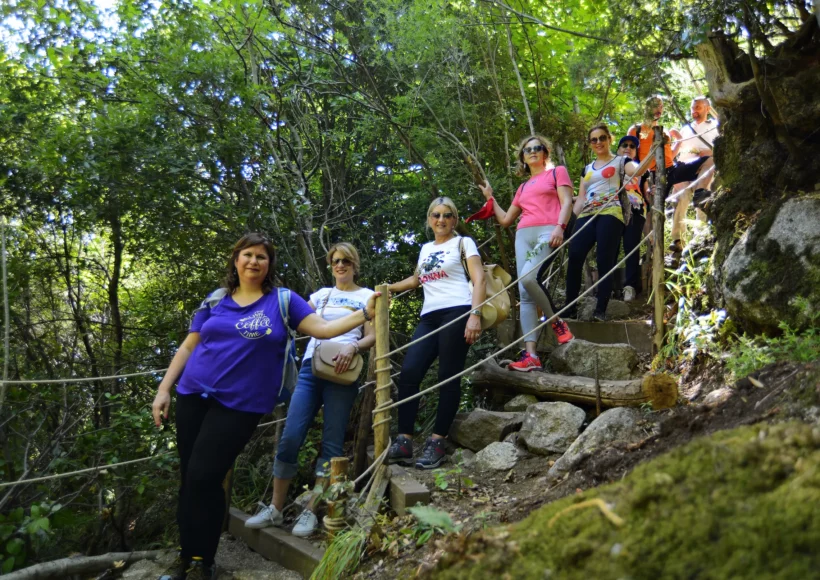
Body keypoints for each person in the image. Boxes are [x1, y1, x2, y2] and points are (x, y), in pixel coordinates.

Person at [151, 233, 379, 580]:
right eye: (248, 255)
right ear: (236, 259)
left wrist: (364, 312)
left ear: (269, 264)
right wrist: (164, 390)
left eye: (261, 256)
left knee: (204, 474)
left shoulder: (282, 300)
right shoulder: (216, 300)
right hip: (193, 394)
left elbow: (324, 328)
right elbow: (187, 347)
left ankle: (202, 560)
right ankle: (190, 558)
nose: (254, 261)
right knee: (191, 479)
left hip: (241, 404)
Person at [244, 242, 375, 537]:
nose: (339, 265)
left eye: (345, 261)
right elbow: (299, 321)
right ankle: (276, 510)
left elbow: (372, 336)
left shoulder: (367, 296)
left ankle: (309, 511)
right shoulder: (321, 295)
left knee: (331, 442)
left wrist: (353, 346)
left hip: (344, 373)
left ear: (354, 264)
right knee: (291, 436)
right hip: (311, 368)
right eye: (334, 261)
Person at [386, 197, 485, 469]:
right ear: (429, 220)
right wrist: (386, 288)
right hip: (429, 316)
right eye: (436, 215)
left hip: (458, 310)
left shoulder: (464, 243)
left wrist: (475, 315)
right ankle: (405, 440)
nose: (441, 220)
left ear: (454, 219)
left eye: (447, 215)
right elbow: (416, 280)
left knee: (446, 376)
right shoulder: (425, 248)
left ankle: (436, 441)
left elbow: (479, 279)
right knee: (409, 373)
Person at [478, 134, 574, 372]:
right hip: (523, 235)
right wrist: (491, 199)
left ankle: (556, 322)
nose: (532, 151)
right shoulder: (522, 187)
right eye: (528, 149)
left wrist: (560, 227)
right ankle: (531, 356)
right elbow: (506, 219)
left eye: (538, 147)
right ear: (523, 157)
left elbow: (567, 202)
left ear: (545, 153)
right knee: (524, 290)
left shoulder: (556, 172)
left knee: (530, 278)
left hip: (547, 231)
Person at [564, 125, 639, 321]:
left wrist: (654, 153)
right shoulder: (587, 169)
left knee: (605, 259)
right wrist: (568, 223)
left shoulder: (621, 161)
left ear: (609, 139)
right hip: (587, 213)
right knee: (575, 255)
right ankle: (569, 306)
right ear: (590, 143)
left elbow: (637, 170)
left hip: (611, 212)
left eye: (602, 138)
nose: (598, 142)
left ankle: (600, 309)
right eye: (594, 139)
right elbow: (580, 198)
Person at [628, 95, 713, 252]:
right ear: (646, 108)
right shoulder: (636, 129)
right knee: (654, 211)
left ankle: (701, 194)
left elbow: (669, 157)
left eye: (661, 106)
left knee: (709, 160)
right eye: (655, 105)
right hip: (651, 173)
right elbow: (629, 157)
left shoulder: (664, 131)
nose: (658, 109)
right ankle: (653, 249)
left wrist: (678, 142)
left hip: (671, 169)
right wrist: (641, 178)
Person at [668, 96, 719, 252]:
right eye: (692, 108)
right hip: (685, 165)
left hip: (705, 166)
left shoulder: (715, 126)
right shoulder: (685, 129)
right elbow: (674, 153)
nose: (694, 111)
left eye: (698, 108)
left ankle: (700, 236)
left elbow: (721, 148)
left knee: (701, 195)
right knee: (681, 198)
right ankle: (677, 240)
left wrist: (708, 152)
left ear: (707, 109)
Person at [616, 135, 647, 302]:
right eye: (624, 145)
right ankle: (606, 286)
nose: (628, 147)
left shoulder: (640, 169)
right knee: (609, 248)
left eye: (632, 146)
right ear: (618, 148)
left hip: (635, 209)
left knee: (631, 248)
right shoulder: (608, 165)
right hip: (612, 209)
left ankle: (630, 286)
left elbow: (646, 189)